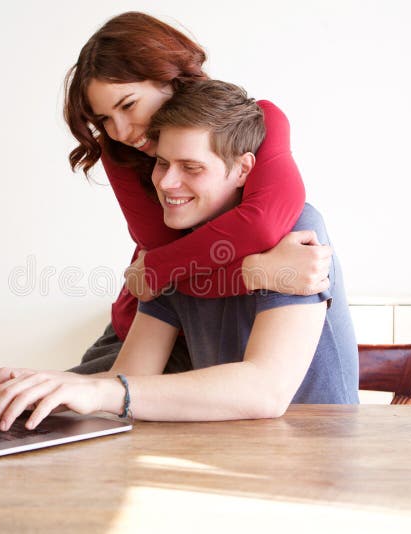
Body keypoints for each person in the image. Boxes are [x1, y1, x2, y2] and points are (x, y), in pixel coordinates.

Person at [0, 80, 359, 431]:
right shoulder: (173, 249)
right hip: (230, 452)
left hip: (314, 462)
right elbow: (131, 375)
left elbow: (264, 390)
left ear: (242, 169)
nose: (167, 183)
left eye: (191, 167)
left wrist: (101, 392)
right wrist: (37, 384)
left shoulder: (297, 233)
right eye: (163, 163)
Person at [64, 12, 333, 375]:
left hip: (210, 326)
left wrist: (157, 270)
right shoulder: (120, 155)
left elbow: (261, 226)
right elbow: (169, 269)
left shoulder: (255, 124)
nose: (121, 131)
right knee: (30, 410)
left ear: (169, 77)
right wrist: (257, 273)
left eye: (128, 105)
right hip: (145, 327)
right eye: (105, 120)